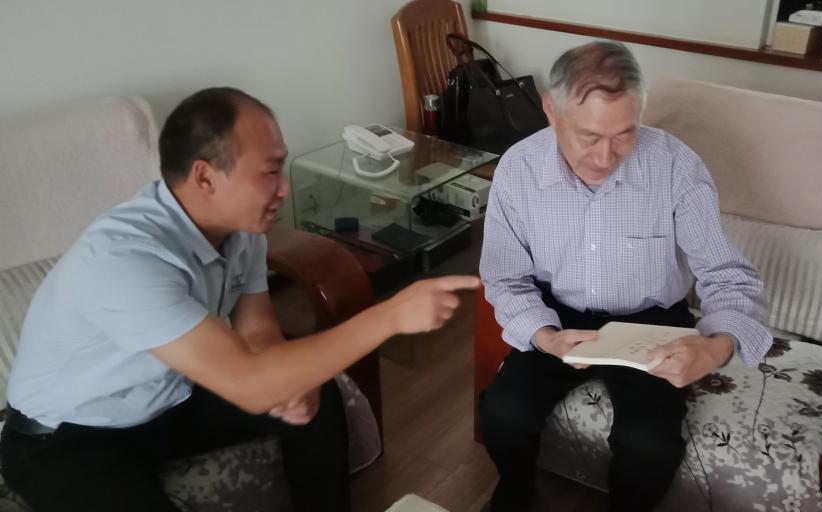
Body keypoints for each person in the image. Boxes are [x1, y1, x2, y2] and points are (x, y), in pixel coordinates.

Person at [0, 87, 479, 512]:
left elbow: (258, 332)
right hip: (66, 438)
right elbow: (250, 384)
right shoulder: (126, 259)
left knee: (320, 396)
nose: (284, 189)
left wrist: (292, 383)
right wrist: (390, 315)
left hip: (167, 398)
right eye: (269, 172)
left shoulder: (241, 230)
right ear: (205, 177)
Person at [478, 41, 773, 511]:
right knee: (502, 414)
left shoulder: (676, 167)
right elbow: (505, 277)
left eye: (624, 134)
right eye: (589, 136)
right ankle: (516, 488)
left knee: (649, 447)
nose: (606, 156)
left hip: (653, 321)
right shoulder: (518, 169)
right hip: (559, 316)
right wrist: (545, 336)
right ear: (551, 110)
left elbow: (728, 276)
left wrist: (716, 347)